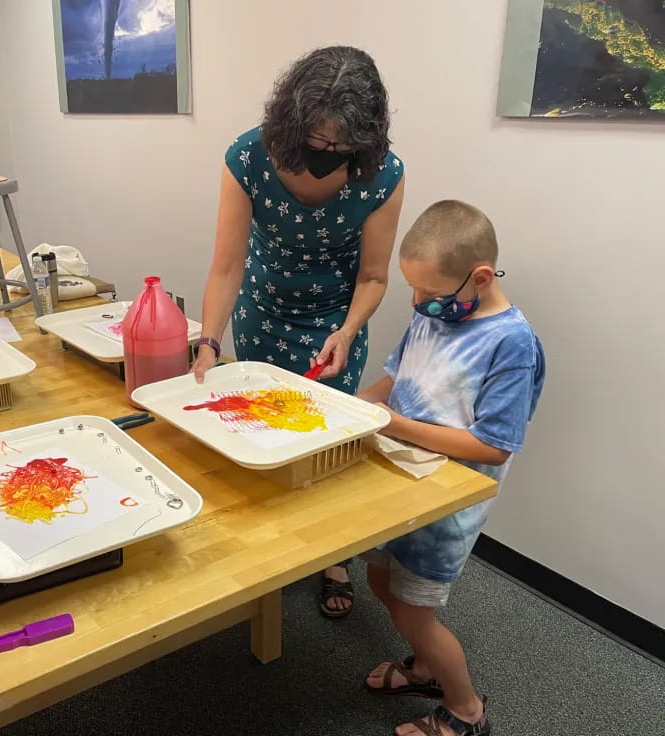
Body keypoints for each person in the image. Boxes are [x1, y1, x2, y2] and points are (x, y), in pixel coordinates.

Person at [193, 46, 405, 617]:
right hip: (262, 311)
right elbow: (227, 266)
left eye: (339, 148)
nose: (326, 156)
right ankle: (273, 547)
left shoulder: (382, 172)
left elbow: (375, 275)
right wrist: (209, 342)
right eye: (316, 143)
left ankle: (331, 556)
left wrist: (348, 329)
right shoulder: (249, 155)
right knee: (263, 431)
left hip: (335, 322)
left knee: (323, 442)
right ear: (292, 124)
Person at [357, 200, 545, 736]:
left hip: (445, 504)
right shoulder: (433, 314)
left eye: (432, 294)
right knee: (380, 579)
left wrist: (390, 424)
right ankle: (423, 666)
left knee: (414, 610)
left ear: (481, 277)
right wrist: (343, 410)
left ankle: (465, 710)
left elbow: (494, 446)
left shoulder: (511, 343)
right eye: (412, 290)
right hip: (395, 480)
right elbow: (392, 381)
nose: (417, 304)